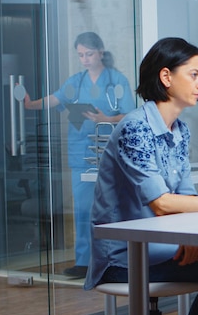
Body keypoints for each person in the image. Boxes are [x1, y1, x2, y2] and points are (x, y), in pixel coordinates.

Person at [83, 37, 198, 315]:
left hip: (163, 247)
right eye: (194, 75)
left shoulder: (180, 130)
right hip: (124, 260)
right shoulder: (134, 127)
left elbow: (186, 196)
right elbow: (162, 203)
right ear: (166, 76)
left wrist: (192, 238)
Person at [24, 31, 135, 278]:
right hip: (81, 152)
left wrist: (107, 118)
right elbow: (56, 98)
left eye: (89, 54)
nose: (84, 59)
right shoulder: (76, 81)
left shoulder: (116, 80)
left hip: (109, 150)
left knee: (112, 207)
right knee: (83, 209)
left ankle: (114, 260)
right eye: (81, 55)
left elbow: (128, 113)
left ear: (101, 53)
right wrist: (32, 105)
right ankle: (84, 262)